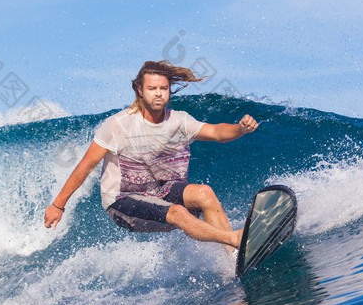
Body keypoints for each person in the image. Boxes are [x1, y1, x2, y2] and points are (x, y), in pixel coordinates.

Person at [44, 60, 258, 251]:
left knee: (204, 193)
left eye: (163, 88)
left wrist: (240, 129)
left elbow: (216, 132)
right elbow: (86, 166)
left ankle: (234, 257)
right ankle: (235, 239)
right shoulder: (118, 125)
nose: (158, 93)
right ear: (139, 90)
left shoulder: (179, 120)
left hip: (163, 190)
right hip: (122, 200)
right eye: (152, 88)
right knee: (178, 213)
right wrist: (58, 205)